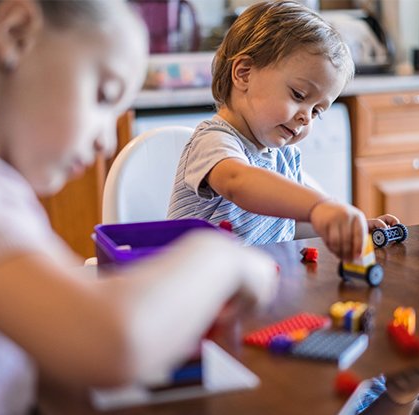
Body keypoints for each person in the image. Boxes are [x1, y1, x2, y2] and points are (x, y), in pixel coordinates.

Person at [0, 1, 279, 413]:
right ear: (16, 35)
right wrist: (219, 258)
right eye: (104, 96)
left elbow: (33, 361)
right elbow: (109, 340)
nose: (106, 139)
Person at [167, 0, 398, 261]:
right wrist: (319, 205)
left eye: (316, 111)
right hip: (198, 288)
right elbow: (238, 182)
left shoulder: (285, 157)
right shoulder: (213, 140)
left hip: (260, 285)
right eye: (298, 95)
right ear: (244, 74)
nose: (305, 118)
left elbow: (289, 224)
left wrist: (343, 227)